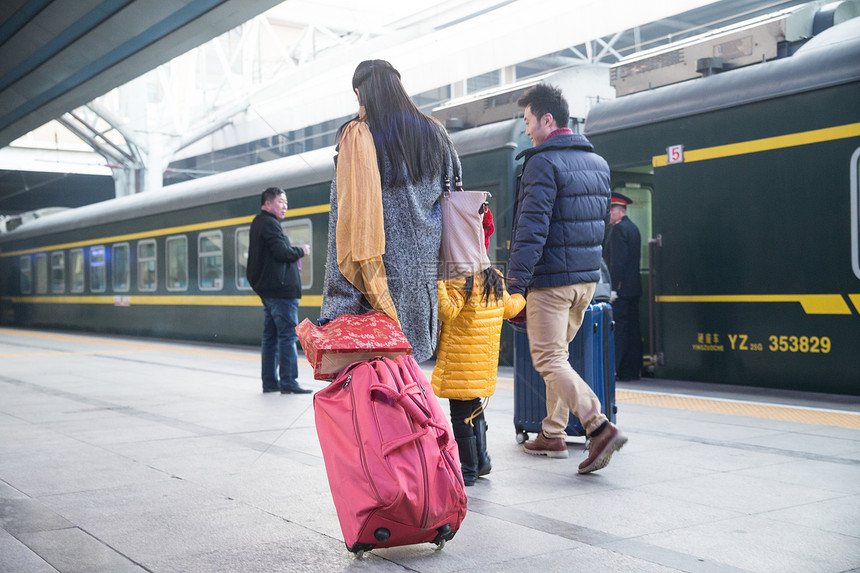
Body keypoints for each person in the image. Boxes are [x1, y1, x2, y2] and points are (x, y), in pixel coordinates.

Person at [507, 83, 627, 474]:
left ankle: (598, 426)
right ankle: (552, 433)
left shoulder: (543, 163)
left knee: (548, 358)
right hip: (585, 281)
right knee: (558, 356)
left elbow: (531, 231)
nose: (526, 130)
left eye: (528, 121)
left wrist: (514, 285)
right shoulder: (598, 163)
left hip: (552, 282)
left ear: (547, 119)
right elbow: (600, 229)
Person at [319, 59, 460, 362]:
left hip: (375, 281)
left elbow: (343, 224)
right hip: (425, 281)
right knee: (410, 369)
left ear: (360, 93)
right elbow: (455, 196)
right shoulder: (436, 133)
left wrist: (336, 308)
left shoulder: (357, 138)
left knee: (380, 377)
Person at [432, 212, 525, 486]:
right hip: (482, 364)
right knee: (475, 411)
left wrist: (438, 280)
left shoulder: (459, 279)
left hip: (461, 362)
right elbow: (510, 309)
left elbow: (447, 311)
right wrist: (521, 296)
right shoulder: (493, 277)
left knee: (461, 416)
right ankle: (482, 460)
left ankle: (469, 469)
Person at [247, 187, 312, 394]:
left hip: (271, 292)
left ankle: (270, 382)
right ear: (267, 204)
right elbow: (282, 252)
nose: (285, 206)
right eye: (281, 202)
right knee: (287, 337)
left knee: (271, 337)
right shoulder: (269, 224)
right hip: (281, 292)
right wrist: (301, 250)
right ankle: (288, 382)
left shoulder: (262, 223)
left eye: (286, 203)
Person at [604, 191, 643, 381]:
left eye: (611, 210)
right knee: (633, 331)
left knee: (621, 331)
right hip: (633, 288)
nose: (609, 215)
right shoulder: (633, 228)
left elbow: (617, 262)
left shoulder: (619, 230)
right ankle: (633, 369)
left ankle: (620, 370)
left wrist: (612, 288)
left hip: (621, 290)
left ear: (620, 211)